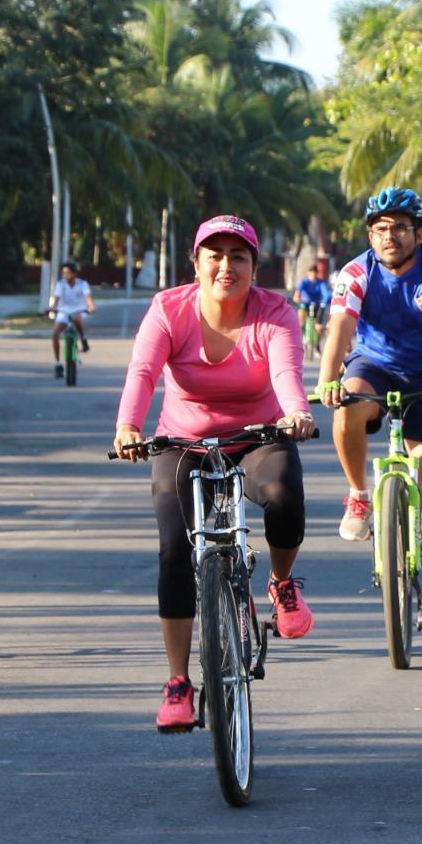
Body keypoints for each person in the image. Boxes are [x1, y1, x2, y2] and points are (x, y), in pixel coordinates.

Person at [113, 214, 318, 733]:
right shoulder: (169, 308)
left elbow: (285, 372)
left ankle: (280, 583)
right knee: (174, 551)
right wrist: (128, 426)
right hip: (181, 440)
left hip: (256, 435)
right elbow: (143, 372)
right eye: (215, 256)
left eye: (239, 257)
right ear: (197, 263)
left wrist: (295, 414)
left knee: (282, 491)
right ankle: (179, 682)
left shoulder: (274, 311)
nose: (226, 267)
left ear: (254, 265)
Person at [316, 187, 422, 632]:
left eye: (401, 229)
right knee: (347, 402)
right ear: (371, 235)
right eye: (381, 229)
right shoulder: (356, 271)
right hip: (375, 365)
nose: (390, 237)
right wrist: (328, 381)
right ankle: (359, 495)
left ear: (419, 233)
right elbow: (340, 328)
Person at [49, 260, 95, 378]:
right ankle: (58, 363)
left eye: (68, 273)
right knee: (55, 333)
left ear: (75, 274)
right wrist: (53, 308)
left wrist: (91, 306)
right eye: (64, 273)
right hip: (63, 312)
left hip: (79, 310)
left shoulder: (82, 284)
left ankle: (83, 339)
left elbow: (88, 297)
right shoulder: (61, 284)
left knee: (76, 316)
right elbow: (56, 299)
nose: (66, 275)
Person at [293, 262, 332, 336]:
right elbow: (297, 293)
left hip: (317, 304)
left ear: (317, 273)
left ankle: (319, 333)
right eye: (311, 273)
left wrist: (325, 301)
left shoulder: (320, 283)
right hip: (306, 303)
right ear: (308, 273)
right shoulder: (304, 282)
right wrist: (297, 297)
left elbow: (326, 294)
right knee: (302, 309)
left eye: (314, 273)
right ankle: (301, 327)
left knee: (322, 312)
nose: (312, 275)